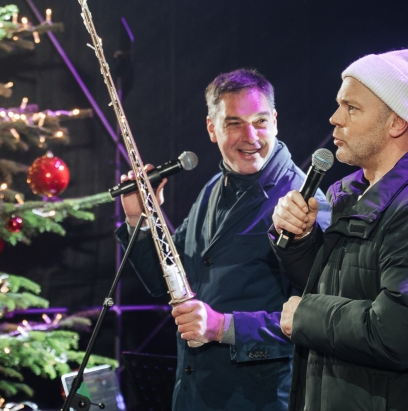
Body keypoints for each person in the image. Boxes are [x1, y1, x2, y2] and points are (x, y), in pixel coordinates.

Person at [271, 43, 408, 411]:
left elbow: (406, 333)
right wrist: (301, 241)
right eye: (339, 105)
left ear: (396, 122)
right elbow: (339, 288)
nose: (335, 118)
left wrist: (306, 316)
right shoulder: (349, 193)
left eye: (351, 108)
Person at [116, 69, 329, 411]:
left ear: (275, 122)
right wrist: (139, 219)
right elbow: (166, 280)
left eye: (260, 121)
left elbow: (320, 321)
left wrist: (223, 327)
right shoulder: (213, 189)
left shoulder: (302, 202)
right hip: (195, 396)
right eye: (234, 124)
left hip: (259, 401)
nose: (251, 136)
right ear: (212, 128)